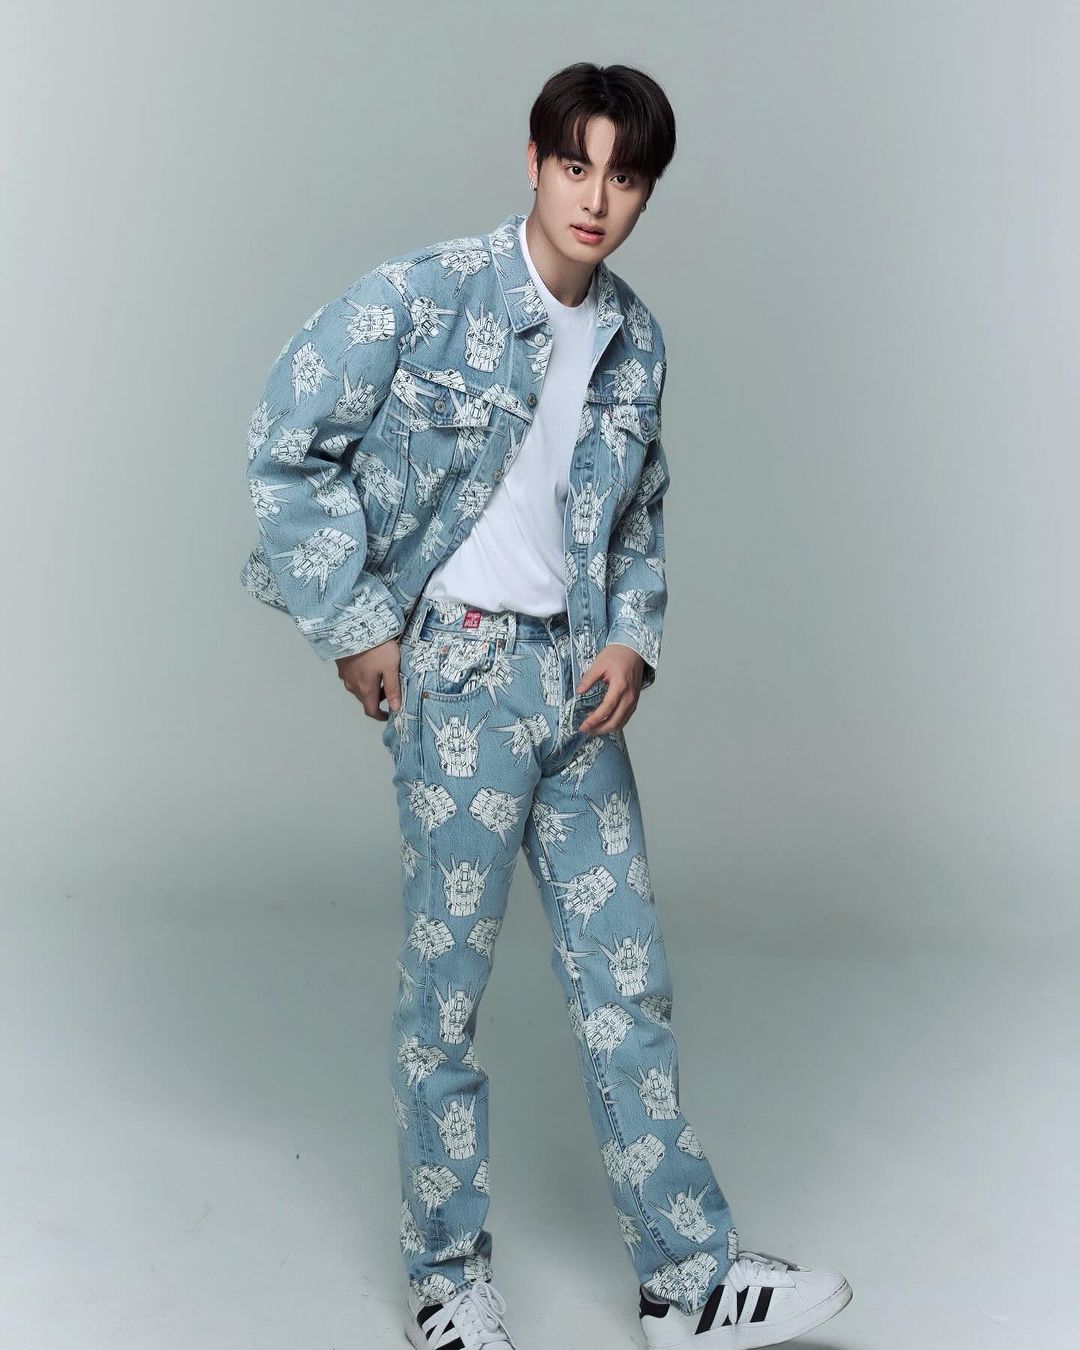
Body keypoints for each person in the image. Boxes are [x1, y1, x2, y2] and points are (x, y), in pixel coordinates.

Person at [240, 60, 852, 1350]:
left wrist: (633, 636)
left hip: (577, 689)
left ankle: (688, 1282)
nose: (595, 199)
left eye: (624, 178)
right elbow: (286, 444)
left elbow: (636, 511)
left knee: (629, 981)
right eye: (576, 166)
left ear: (647, 192)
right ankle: (448, 1281)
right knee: (446, 996)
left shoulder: (636, 339)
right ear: (533, 162)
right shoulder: (425, 294)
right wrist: (355, 625)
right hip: (458, 679)